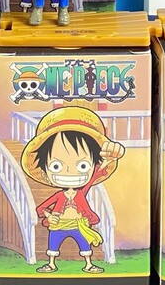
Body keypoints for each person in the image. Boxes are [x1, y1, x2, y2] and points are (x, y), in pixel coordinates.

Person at [21, 107, 124, 275]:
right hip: (59, 225)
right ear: (45, 169)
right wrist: (49, 216)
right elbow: (41, 208)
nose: (69, 172)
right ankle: (51, 264)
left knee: (85, 246)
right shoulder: (58, 195)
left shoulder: (82, 191)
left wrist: (109, 158)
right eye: (56, 166)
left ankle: (88, 264)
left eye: (83, 165)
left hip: (78, 224)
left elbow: (97, 173)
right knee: (53, 246)